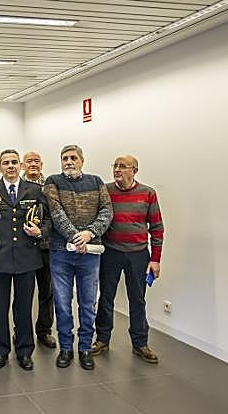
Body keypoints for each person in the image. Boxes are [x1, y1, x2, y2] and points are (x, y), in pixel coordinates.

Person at [0, 149, 51, 370]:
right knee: (0, 308)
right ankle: (0, 351)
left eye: (13, 162)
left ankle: (24, 350)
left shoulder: (35, 190)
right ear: (0, 167)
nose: (10, 166)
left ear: (20, 165)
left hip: (27, 257)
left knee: (23, 308)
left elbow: (47, 220)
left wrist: (40, 232)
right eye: (5, 163)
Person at [44, 144, 112, 371]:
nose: (69, 162)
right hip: (61, 252)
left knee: (88, 303)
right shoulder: (53, 182)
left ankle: (84, 348)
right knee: (62, 304)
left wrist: (89, 233)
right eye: (64, 158)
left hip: (90, 253)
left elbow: (106, 211)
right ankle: (65, 348)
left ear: (82, 160)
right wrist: (75, 237)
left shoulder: (96, 182)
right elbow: (56, 213)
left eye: (73, 157)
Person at [92, 155, 164, 363]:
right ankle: (102, 339)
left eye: (123, 166)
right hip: (110, 252)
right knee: (106, 297)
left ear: (135, 170)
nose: (117, 169)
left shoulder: (148, 193)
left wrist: (155, 259)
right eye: (115, 165)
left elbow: (157, 228)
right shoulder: (105, 191)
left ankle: (140, 343)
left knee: (137, 299)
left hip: (138, 255)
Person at [21, 151, 57, 349]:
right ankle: (21, 331)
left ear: (42, 164)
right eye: (29, 161)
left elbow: (54, 216)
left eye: (36, 161)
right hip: (22, 249)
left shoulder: (50, 187)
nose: (33, 164)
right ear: (22, 165)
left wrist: (41, 232)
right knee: (23, 295)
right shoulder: (17, 186)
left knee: (46, 292)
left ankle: (44, 331)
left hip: (45, 247)